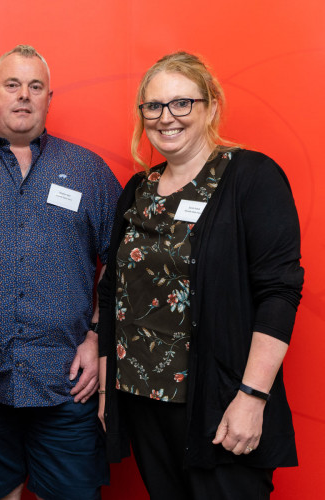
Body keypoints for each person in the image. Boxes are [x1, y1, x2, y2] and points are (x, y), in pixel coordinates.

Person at [97, 51, 304, 500]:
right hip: (143, 402)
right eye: (153, 106)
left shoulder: (251, 177)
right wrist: (105, 386)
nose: (166, 117)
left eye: (181, 103)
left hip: (219, 402)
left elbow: (279, 294)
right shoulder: (139, 189)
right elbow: (113, 286)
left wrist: (252, 397)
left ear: (210, 105)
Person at [0, 45, 120, 500]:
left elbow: (119, 260)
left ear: (51, 97)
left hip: (68, 382)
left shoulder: (88, 171)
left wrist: (95, 338)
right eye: (12, 85)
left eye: (35, 87)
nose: (24, 96)